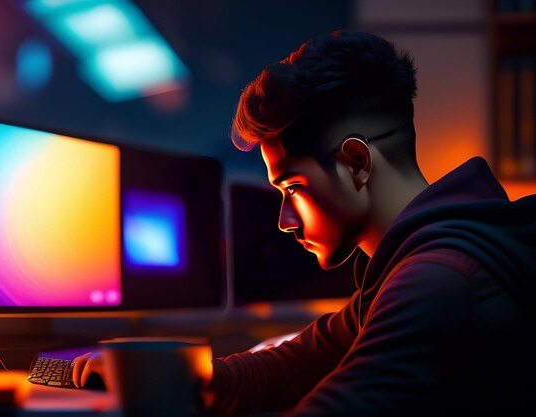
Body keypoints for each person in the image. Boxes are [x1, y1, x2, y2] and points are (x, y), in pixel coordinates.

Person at [74, 31, 536, 416]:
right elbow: (293, 366)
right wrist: (158, 376)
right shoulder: (417, 266)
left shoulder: (437, 281)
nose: (284, 221)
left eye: (292, 188)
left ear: (356, 162)